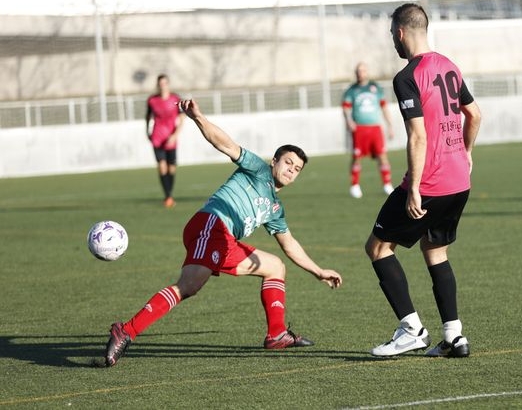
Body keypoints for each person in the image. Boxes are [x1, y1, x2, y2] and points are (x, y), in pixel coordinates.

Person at [104, 98, 343, 367]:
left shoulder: (276, 207)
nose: (291, 170)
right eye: (288, 162)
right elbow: (224, 143)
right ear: (274, 160)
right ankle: (126, 331)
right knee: (188, 286)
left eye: (297, 169)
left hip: (224, 240)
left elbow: (289, 245)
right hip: (212, 224)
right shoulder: (257, 168)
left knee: (275, 266)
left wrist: (319, 271)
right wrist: (198, 117)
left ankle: (277, 334)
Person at [364, 3, 482, 358]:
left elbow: (417, 137)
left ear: (400, 33)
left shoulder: (406, 77)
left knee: (378, 247)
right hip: (459, 181)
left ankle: (411, 328)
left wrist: (412, 187)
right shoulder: (448, 65)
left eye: (391, 35)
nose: (392, 41)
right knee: (435, 250)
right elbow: (474, 114)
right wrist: (466, 151)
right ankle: (454, 337)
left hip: (429, 183)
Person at [342, 62, 395, 198]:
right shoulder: (351, 90)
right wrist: (349, 121)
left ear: (367, 72)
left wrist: (390, 126)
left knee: (382, 157)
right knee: (357, 158)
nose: (361, 73)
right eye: (358, 71)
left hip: (375, 128)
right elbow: (346, 108)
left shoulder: (375, 88)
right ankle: (354, 185)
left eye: (363, 70)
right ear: (356, 73)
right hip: (359, 129)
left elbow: (384, 107)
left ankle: (387, 184)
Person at [146, 74, 184, 207]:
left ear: (168, 84)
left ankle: (169, 194)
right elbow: (148, 117)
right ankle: (168, 196)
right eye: (160, 84)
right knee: (162, 167)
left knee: (171, 168)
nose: (163, 86)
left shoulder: (176, 99)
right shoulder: (152, 100)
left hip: (171, 138)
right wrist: (148, 132)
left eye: (165, 83)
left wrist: (175, 135)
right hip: (158, 138)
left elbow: (182, 119)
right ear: (158, 85)